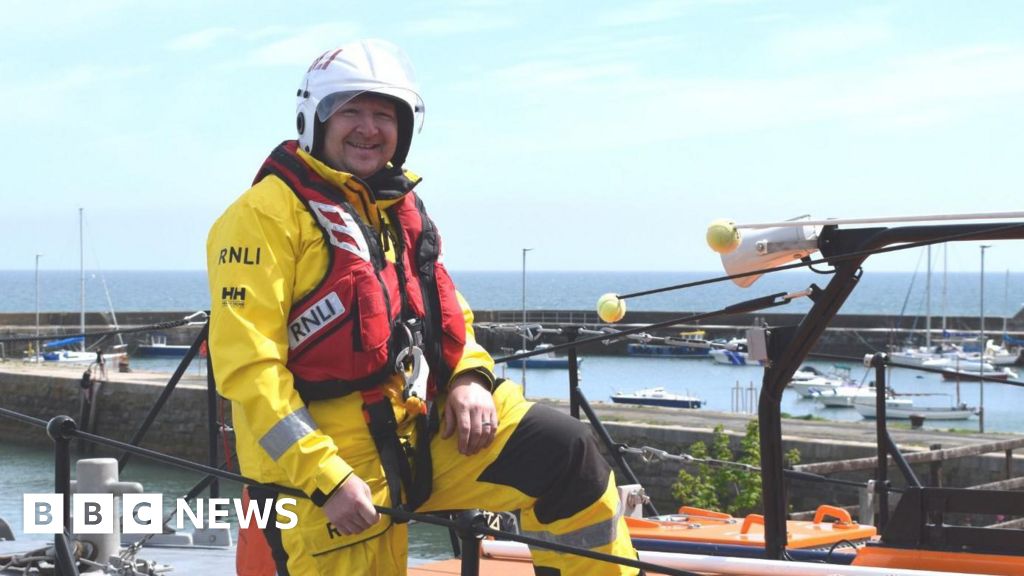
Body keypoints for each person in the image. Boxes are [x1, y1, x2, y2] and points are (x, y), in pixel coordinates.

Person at [207, 39, 639, 575]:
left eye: (384, 115)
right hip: (326, 467)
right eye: (351, 111)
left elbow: (445, 309)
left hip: (418, 429)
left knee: (565, 454)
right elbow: (249, 371)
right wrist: (326, 477)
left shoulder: (398, 208)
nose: (369, 128)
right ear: (313, 118)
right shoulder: (261, 218)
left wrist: (469, 378)